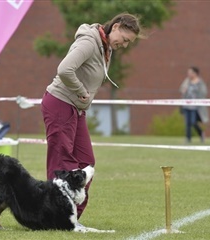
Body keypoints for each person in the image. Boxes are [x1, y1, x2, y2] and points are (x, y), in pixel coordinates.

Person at [41, 13, 144, 227]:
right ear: (115, 26)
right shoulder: (89, 42)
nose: (124, 45)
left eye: (128, 43)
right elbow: (64, 69)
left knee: (86, 164)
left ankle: (70, 218)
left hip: (76, 110)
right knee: (64, 163)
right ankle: (58, 219)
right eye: (124, 39)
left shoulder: (105, 47)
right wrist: (81, 91)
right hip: (61, 104)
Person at [179, 66, 209, 143]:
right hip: (186, 105)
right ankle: (188, 139)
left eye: (191, 72)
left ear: (195, 73)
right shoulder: (187, 81)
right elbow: (181, 89)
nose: (189, 74)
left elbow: (204, 92)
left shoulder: (200, 82)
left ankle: (201, 133)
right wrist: (183, 90)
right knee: (187, 123)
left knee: (193, 122)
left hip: (195, 106)